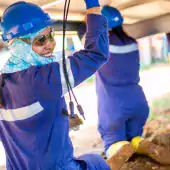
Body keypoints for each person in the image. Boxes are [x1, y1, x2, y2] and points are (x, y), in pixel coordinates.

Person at [0, 1, 111, 170]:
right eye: (40, 40)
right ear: (19, 46)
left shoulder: (4, 80)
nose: (50, 44)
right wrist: (92, 5)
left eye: (50, 35)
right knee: (97, 162)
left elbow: (25, 124)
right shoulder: (41, 80)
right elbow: (96, 53)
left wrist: (60, 121)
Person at [78, 6, 170, 170]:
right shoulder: (132, 43)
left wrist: (89, 20)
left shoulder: (99, 47)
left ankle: (117, 148)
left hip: (114, 107)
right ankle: (139, 143)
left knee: (113, 139)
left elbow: (83, 35)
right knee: (134, 134)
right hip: (138, 102)